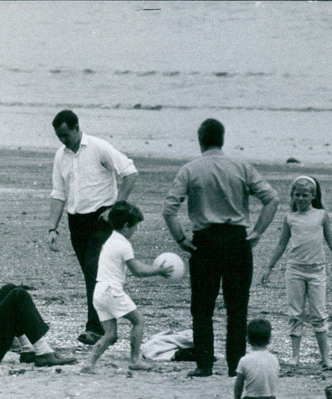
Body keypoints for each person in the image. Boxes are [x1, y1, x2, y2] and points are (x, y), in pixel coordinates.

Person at [163, 118, 279, 377]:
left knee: (202, 307)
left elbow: (169, 208)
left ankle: (204, 364)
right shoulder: (241, 166)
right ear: (223, 139)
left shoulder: (191, 169)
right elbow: (272, 198)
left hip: (205, 240)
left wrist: (181, 239)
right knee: (237, 307)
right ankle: (235, 365)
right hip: (237, 240)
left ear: (200, 139)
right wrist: (257, 232)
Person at [47, 109, 140, 347]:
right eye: (59, 136)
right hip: (76, 220)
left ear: (77, 128)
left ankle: (96, 328)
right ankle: (106, 325)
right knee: (93, 275)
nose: (63, 140)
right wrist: (52, 228)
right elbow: (58, 193)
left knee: (93, 270)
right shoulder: (60, 155)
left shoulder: (99, 147)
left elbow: (129, 172)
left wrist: (118, 206)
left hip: (102, 218)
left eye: (66, 134)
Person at [260, 175, 332, 368]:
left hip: (317, 271)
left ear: (313, 196)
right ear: (292, 196)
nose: (301, 199)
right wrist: (269, 267)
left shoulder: (321, 215)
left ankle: (325, 357)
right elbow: (281, 244)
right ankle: (295, 356)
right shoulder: (289, 217)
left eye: (304, 195)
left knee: (319, 313)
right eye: (297, 195)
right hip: (294, 270)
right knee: (295, 313)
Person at [80, 202, 173, 373]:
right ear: (126, 226)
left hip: (99, 291)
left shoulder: (110, 240)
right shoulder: (123, 244)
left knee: (110, 334)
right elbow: (137, 271)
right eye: (135, 227)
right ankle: (134, 360)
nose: (135, 231)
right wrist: (158, 271)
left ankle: (89, 364)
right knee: (138, 321)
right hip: (111, 291)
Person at [224, 318, 280, 399]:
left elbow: (238, 386)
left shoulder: (244, 360)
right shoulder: (274, 359)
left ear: (248, 339)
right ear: (269, 340)